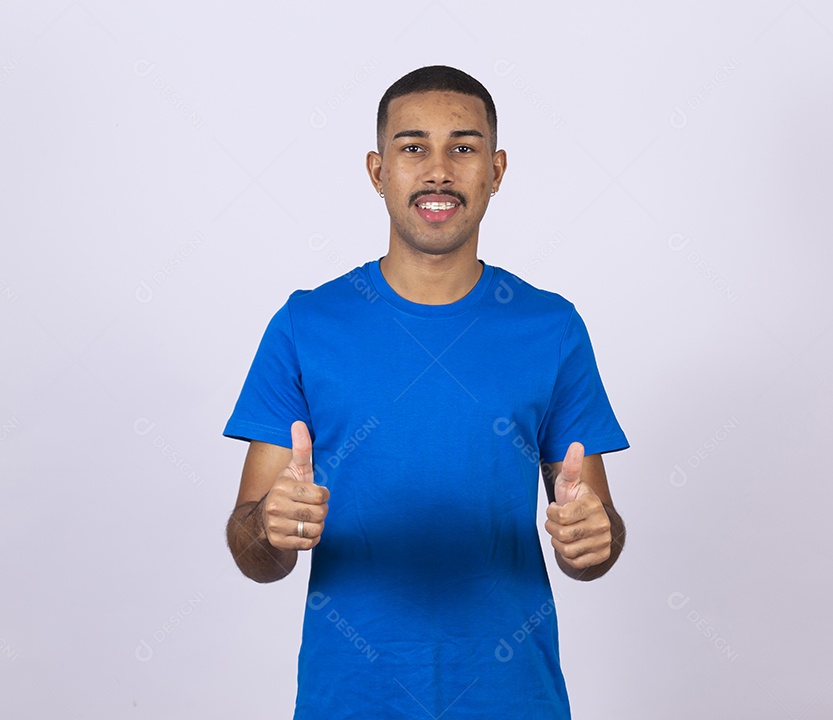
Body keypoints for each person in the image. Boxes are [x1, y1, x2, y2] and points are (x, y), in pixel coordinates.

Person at [224, 65, 629, 719]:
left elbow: (592, 537)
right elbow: (255, 553)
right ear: (378, 171)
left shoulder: (551, 328)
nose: (438, 171)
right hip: (350, 702)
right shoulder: (306, 325)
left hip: (513, 700)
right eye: (413, 147)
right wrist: (270, 527)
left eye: (462, 148)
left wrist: (592, 538)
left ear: (495, 170)